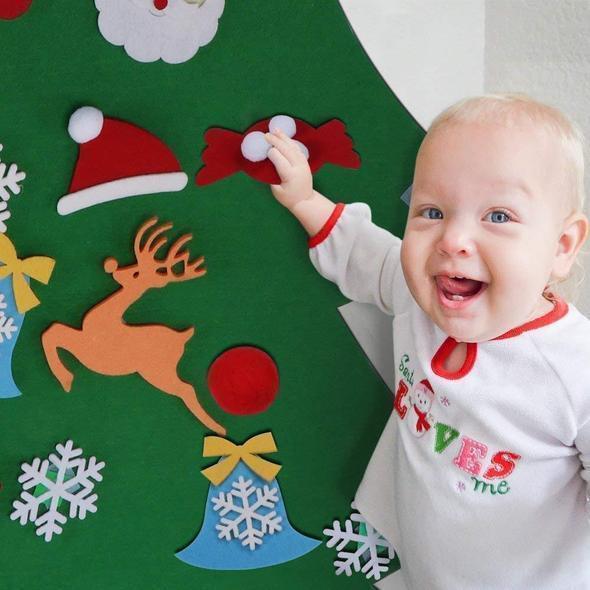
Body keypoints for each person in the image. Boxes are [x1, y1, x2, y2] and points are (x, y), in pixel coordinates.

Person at [265, 94, 590, 589]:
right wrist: (306, 201)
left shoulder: (574, 368)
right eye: (432, 211)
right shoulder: (420, 295)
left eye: (498, 216)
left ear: (562, 248)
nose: (453, 239)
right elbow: (368, 255)